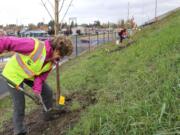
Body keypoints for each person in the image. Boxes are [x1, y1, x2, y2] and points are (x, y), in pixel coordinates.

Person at [0, 36, 73, 135]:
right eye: (60, 54)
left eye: (63, 56)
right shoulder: (34, 46)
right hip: (13, 74)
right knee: (19, 104)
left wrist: (37, 90)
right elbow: (6, 41)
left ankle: (48, 114)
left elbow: (40, 77)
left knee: (47, 92)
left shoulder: (51, 62)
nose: (59, 58)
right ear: (56, 48)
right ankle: (19, 130)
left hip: (29, 75)